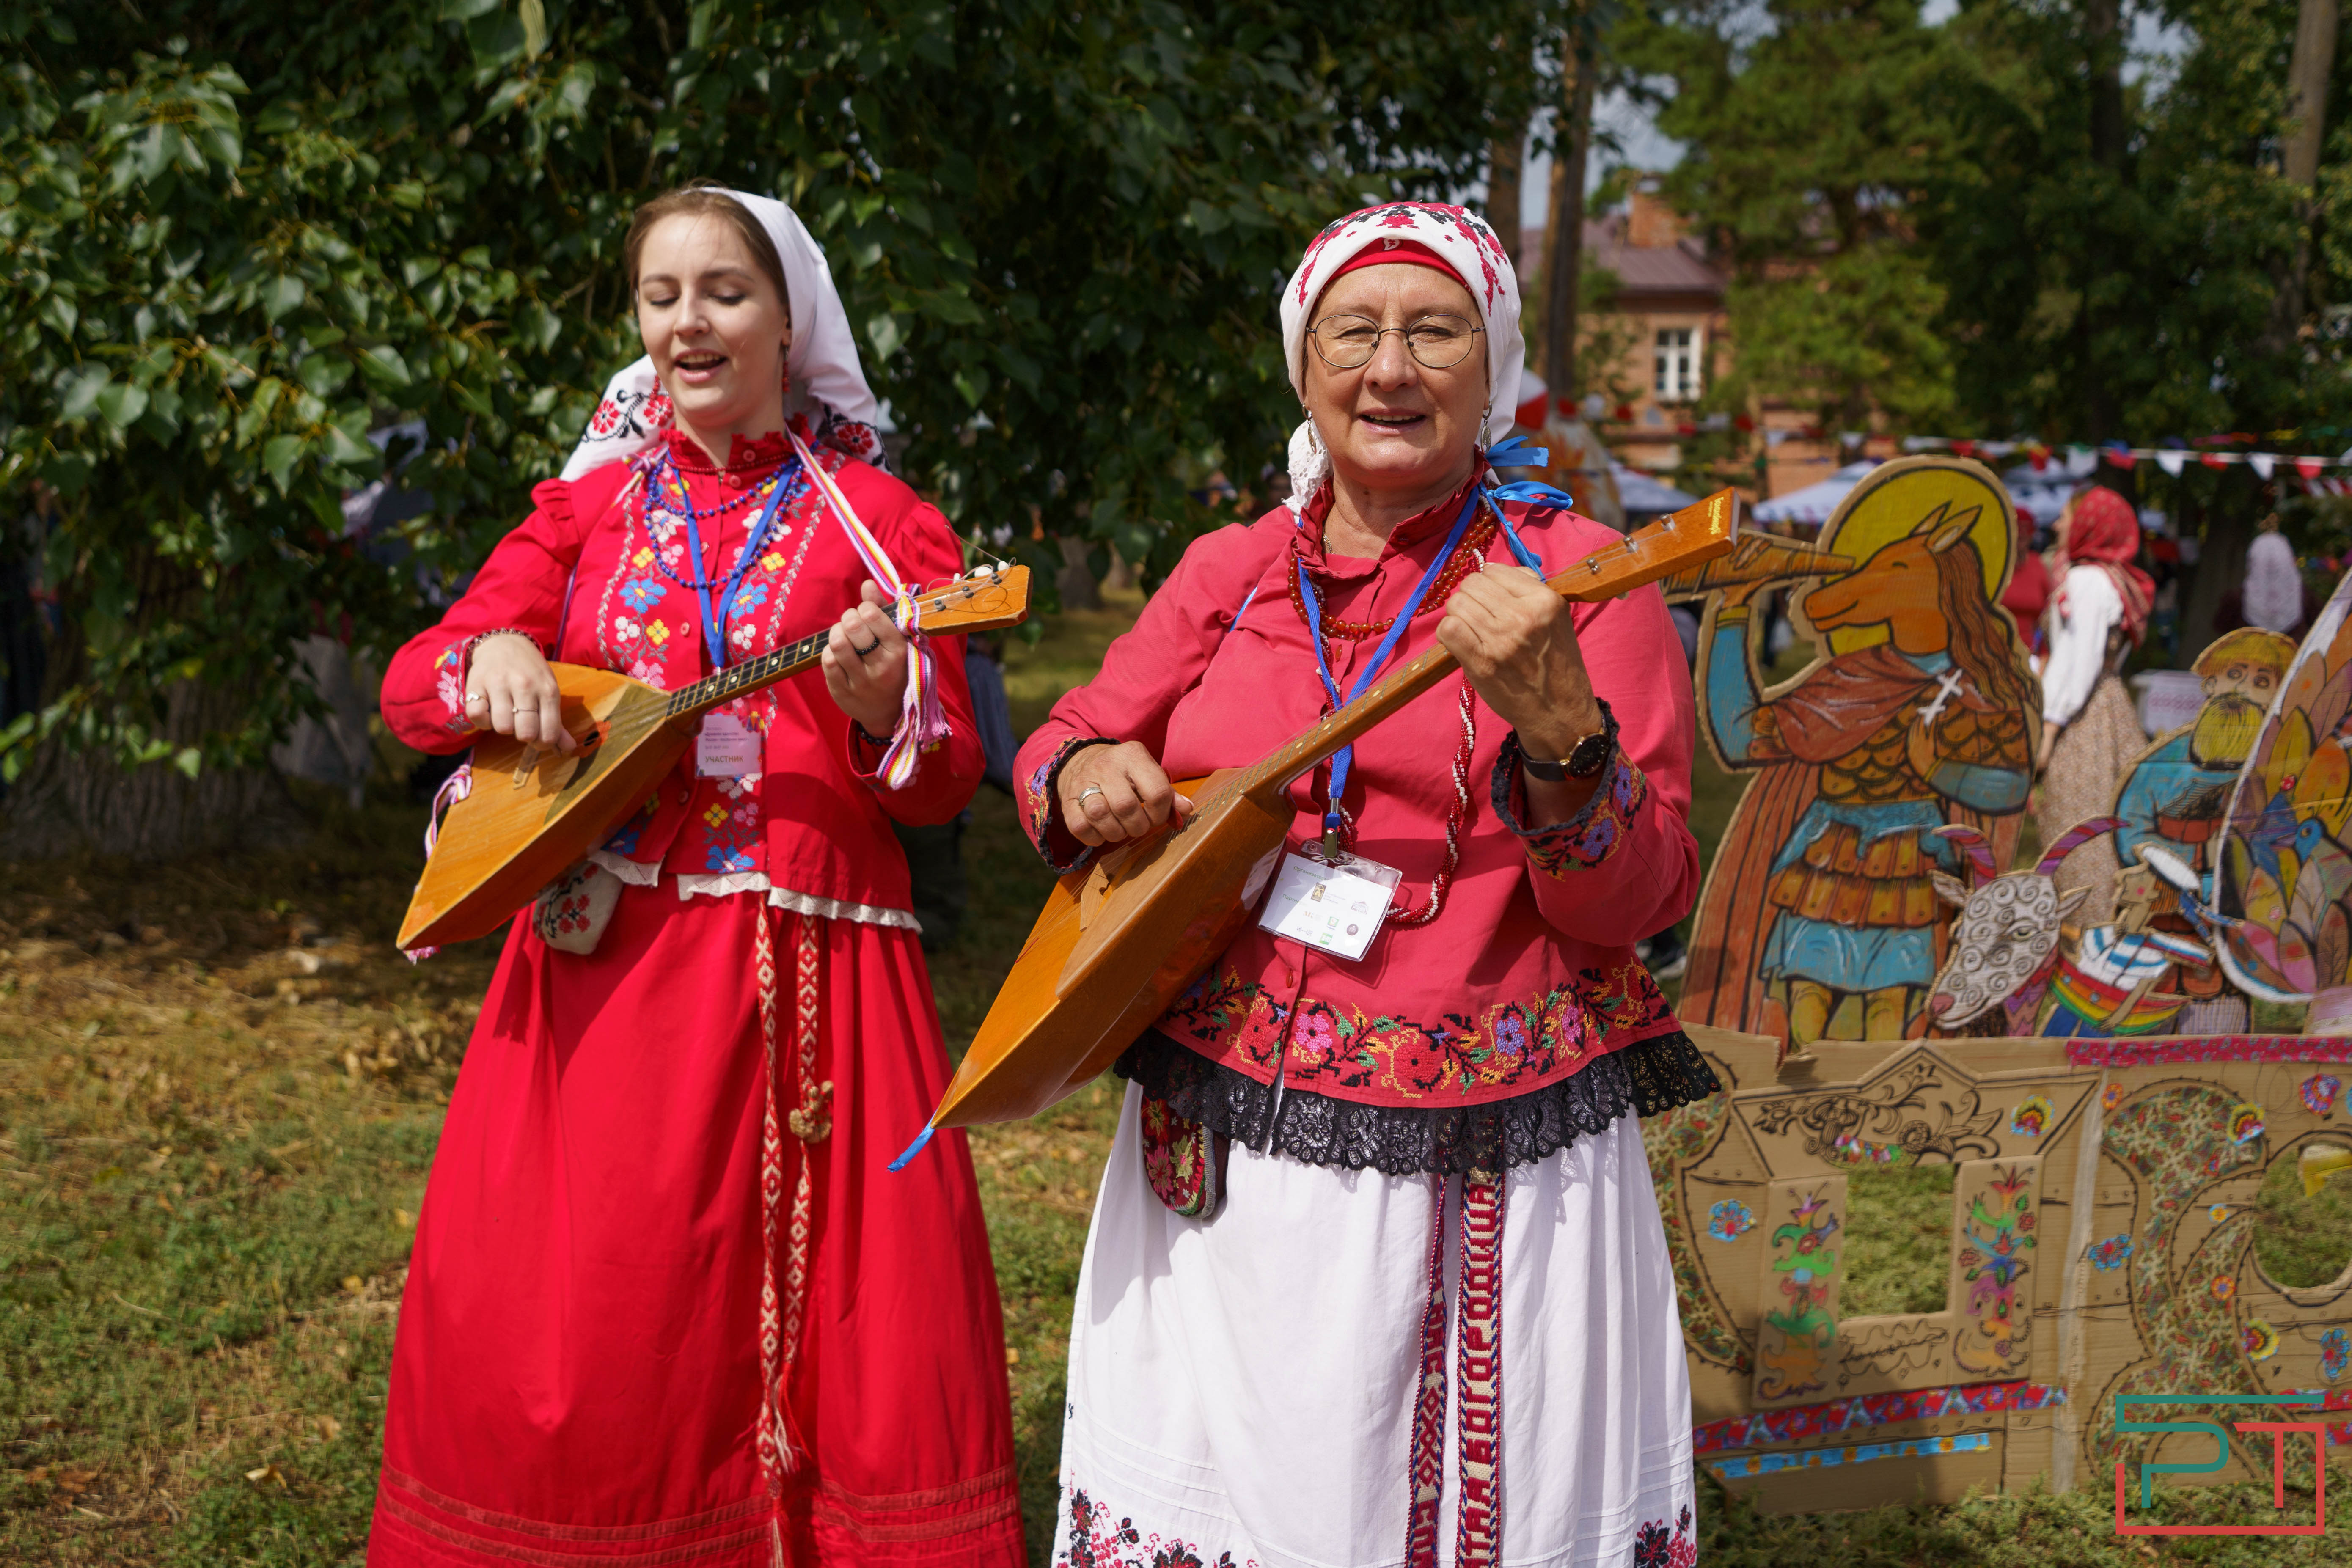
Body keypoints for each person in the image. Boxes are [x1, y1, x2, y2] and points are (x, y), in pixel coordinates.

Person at [1017, 203, 1717, 1568]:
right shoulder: (1229, 572)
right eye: (1354, 330)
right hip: (1218, 1149)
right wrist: (1082, 774)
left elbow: (1636, 898)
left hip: (1491, 1164)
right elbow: (1057, 739)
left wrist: (1564, 737)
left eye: (1431, 330)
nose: (1387, 367)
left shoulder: (1576, 577)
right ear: (1303, 366)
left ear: (1491, 364)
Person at [369, 184, 1023, 1568]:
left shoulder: (880, 522)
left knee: (835, 1324)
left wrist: (876, 703)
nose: (687, 322)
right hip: (604, 977)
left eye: (722, 291)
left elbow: (941, 775)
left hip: (817, 974)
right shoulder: (589, 507)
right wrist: (486, 661)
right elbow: (415, 688)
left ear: (790, 324)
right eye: (661, 296)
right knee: (604, 1314)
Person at [2037, 485, 2154, 927]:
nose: (2058, 524)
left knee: (2079, 829)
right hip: (2109, 709)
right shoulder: (2112, 577)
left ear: (2090, 523)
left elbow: (2077, 660)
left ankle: (2085, 942)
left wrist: (2048, 727)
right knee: (2107, 826)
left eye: (2066, 515)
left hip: (2084, 717)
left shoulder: (2087, 580)